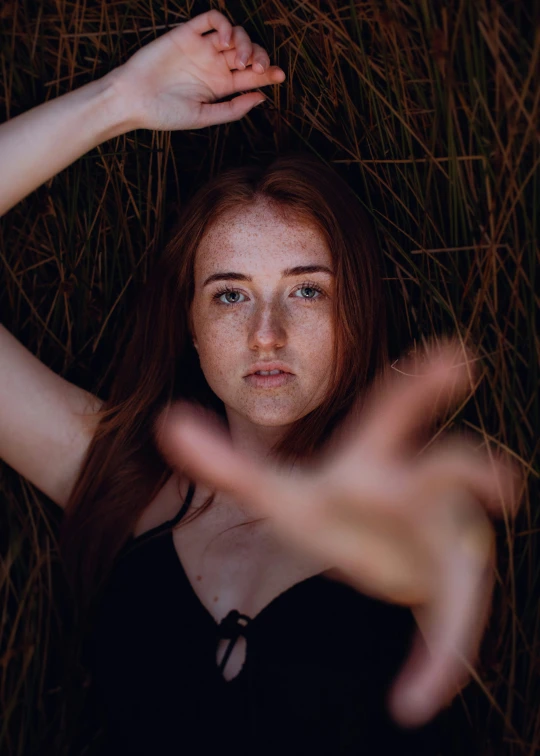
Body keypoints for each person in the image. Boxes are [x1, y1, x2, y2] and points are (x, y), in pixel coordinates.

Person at [0, 9, 519, 755]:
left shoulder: (404, 507)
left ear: (356, 312)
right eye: (230, 294)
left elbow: (438, 557)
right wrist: (117, 101)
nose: (265, 333)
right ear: (187, 321)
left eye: (307, 291)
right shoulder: (113, 476)